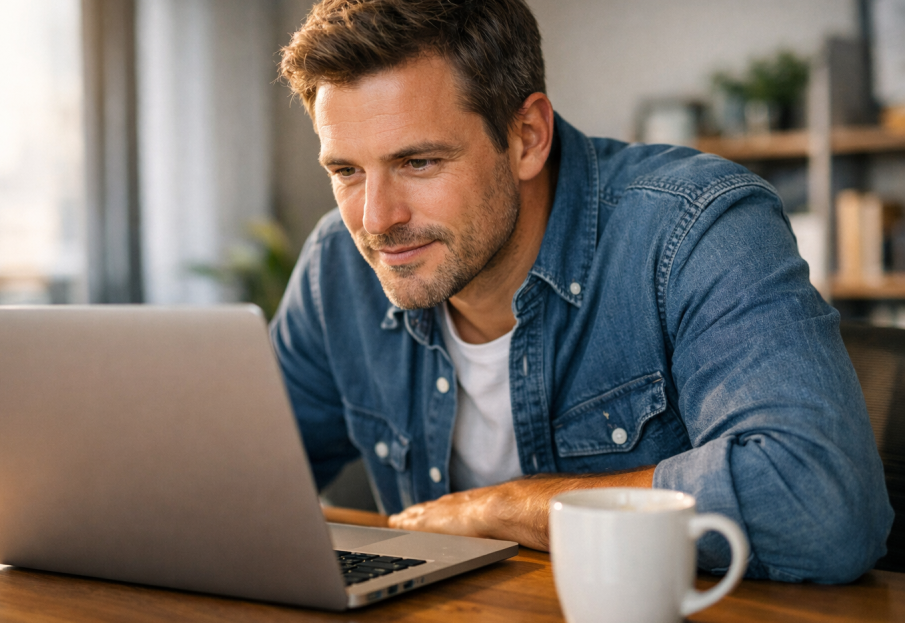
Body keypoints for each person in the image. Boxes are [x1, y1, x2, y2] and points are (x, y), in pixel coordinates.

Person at [270, 0, 893, 582]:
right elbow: (240, 484)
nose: (376, 220)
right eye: (346, 171)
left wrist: (515, 507)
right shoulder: (338, 266)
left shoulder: (694, 228)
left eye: (419, 162)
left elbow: (820, 501)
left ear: (527, 138)